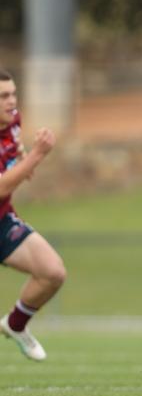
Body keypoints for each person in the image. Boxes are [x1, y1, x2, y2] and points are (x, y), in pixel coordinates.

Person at [0, 68, 66, 361]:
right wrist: (38, 155)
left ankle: (15, 325)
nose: (12, 101)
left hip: (2, 220)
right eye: (3, 96)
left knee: (52, 272)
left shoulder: (13, 120)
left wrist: (25, 159)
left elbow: (13, 156)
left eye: (13, 94)